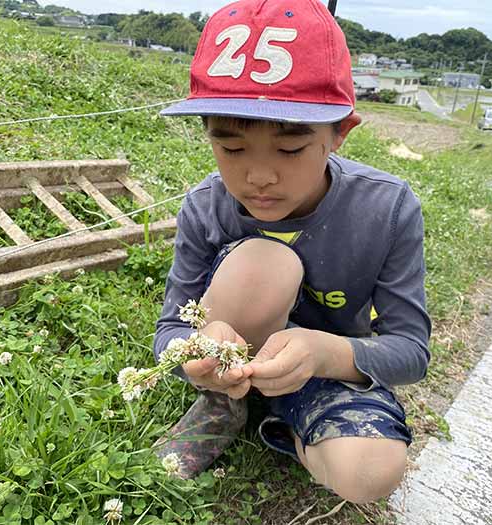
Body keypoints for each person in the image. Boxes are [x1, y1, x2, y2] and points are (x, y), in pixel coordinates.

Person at [152, 0, 431, 504]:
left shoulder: (388, 208)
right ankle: (222, 405)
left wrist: (330, 353)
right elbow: (170, 330)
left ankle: (287, 414)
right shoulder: (205, 206)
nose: (259, 176)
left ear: (340, 133)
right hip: (231, 358)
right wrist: (195, 352)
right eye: (232, 149)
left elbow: (410, 350)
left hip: (323, 367)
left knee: (370, 473)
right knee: (266, 261)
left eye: (290, 148)